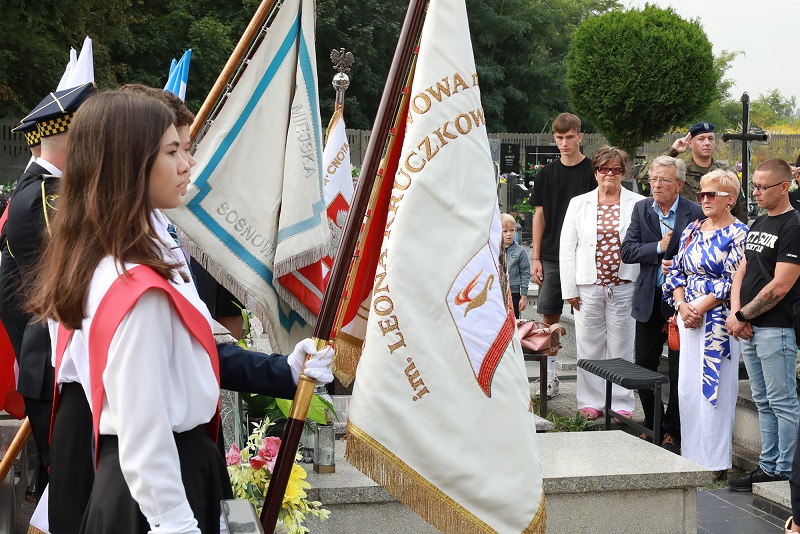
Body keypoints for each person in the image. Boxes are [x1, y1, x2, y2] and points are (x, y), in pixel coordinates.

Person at [27, 91, 333, 533]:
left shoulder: (108, 259)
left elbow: (186, 356)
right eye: (174, 151)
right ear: (130, 163)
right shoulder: (138, 285)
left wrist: (284, 369)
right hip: (159, 484)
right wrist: (175, 523)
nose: (188, 164)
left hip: (154, 476)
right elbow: (143, 426)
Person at [0, 82, 95, 500]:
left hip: (54, 361)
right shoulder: (44, 196)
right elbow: (78, 275)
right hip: (56, 365)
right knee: (74, 493)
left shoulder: (47, 190)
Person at [663, 169, 747, 476]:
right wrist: (682, 304)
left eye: (712, 195)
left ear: (731, 199)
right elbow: (674, 272)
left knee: (716, 390)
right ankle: (691, 454)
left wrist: (698, 308)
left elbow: (733, 280)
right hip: (688, 315)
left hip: (718, 321)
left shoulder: (739, 233)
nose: (704, 200)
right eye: (701, 194)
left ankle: (714, 462)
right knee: (687, 387)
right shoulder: (692, 228)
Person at [725, 158, 800, 492]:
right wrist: (737, 313)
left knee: (782, 402)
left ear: (784, 187)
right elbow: (742, 269)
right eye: (753, 185)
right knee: (764, 401)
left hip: (777, 328)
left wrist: (743, 317)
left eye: (761, 187)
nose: (754, 192)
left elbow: (781, 285)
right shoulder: (758, 223)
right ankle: (767, 466)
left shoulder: (793, 226)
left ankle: (785, 470)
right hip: (752, 326)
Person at [621, 156, 704, 454]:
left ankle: (673, 433)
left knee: (679, 371)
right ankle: (653, 424)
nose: (656, 185)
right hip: (649, 299)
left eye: (664, 180)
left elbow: (702, 254)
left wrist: (677, 261)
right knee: (643, 365)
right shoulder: (642, 208)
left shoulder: (695, 212)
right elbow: (627, 250)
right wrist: (659, 247)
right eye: (653, 179)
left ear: (679, 184)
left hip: (682, 303)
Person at [560, 146, 644, 420]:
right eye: (604, 169)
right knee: (589, 344)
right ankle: (590, 401)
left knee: (621, 344)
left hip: (624, 284)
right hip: (588, 285)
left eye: (616, 169)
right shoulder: (578, 203)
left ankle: (621, 402)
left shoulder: (638, 202)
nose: (610, 174)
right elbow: (567, 247)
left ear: (623, 172)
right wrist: (569, 289)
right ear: (595, 172)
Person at [529, 112, 596, 398]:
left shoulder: (594, 171)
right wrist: (535, 256)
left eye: (570, 137)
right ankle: (550, 376)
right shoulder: (546, 173)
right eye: (559, 138)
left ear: (580, 136)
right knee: (549, 317)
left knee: (590, 319)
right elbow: (539, 215)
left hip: (586, 255)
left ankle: (593, 383)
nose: (564, 143)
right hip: (553, 255)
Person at [641, 122, 747, 223]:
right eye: (701, 139)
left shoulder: (725, 174)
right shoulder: (680, 171)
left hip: (719, 233)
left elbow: (739, 209)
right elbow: (644, 176)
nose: (707, 143)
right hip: (687, 231)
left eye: (711, 139)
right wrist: (673, 151)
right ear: (690, 143)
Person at [501, 213, 530, 318]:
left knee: (514, 321)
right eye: (505, 231)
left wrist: (524, 296)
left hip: (514, 293)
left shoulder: (520, 251)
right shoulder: (495, 251)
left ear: (515, 231)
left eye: (511, 230)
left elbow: (525, 273)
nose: (509, 234)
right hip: (498, 293)